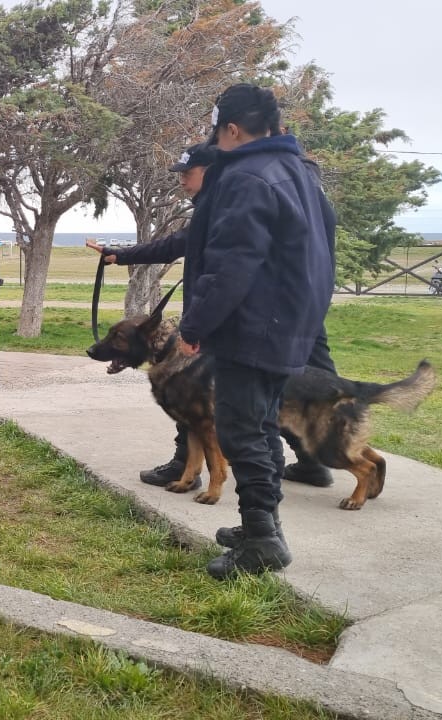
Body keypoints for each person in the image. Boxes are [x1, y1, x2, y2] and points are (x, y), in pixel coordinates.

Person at [177, 84, 335, 579]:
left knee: (241, 429)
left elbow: (233, 264)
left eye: (217, 130)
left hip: (253, 325)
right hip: (288, 322)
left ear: (230, 128)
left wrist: (195, 324)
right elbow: (324, 246)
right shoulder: (300, 171)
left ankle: (262, 540)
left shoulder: (248, 176)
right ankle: (261, 526)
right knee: (261, 425)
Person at [86, 141, 215, 490]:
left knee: (195, 397)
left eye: (188, 174)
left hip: (218, 319)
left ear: (210, 171)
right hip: (212, 315)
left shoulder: (220, 209)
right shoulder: (210, 208)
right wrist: (119, 255)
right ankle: (189, 466)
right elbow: (173, 245)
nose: (182, 181)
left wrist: (198, 323)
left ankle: (200, 470)